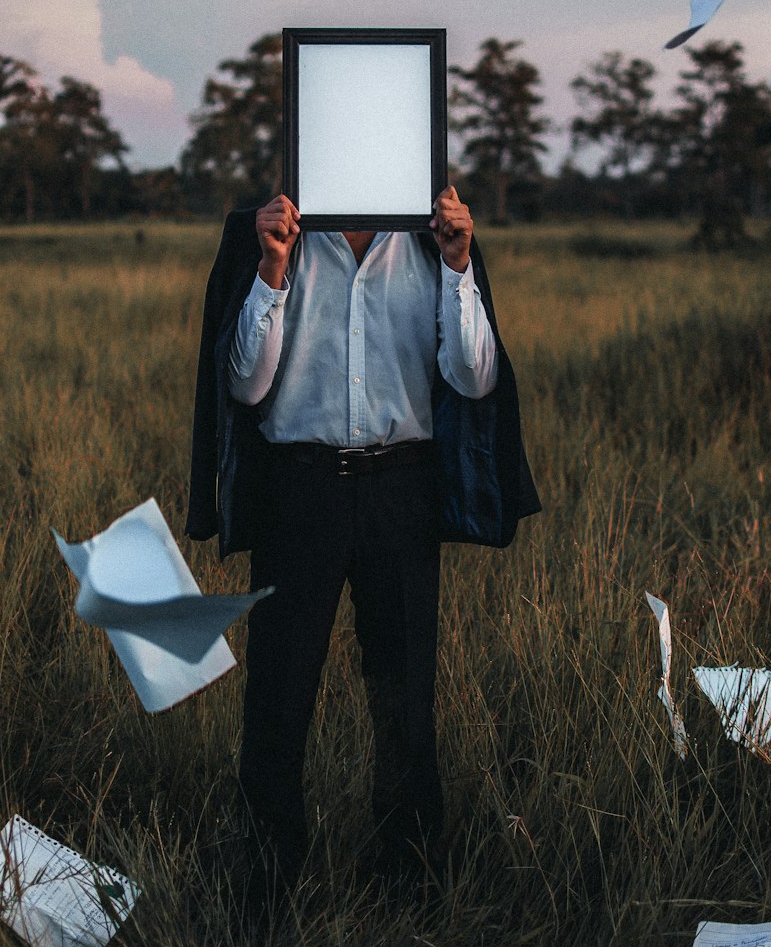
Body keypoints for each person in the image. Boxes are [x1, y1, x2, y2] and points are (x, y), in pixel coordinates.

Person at [186, 186, 539, 899]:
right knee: (278, 698)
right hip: (299, 489)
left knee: (405, 696)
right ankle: (265, 881)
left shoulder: (432, 233)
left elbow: (475, 378)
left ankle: (408, 881)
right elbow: (246, 389)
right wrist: (272, 267)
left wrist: (460, 262)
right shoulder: (261, 232)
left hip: (399, 491)